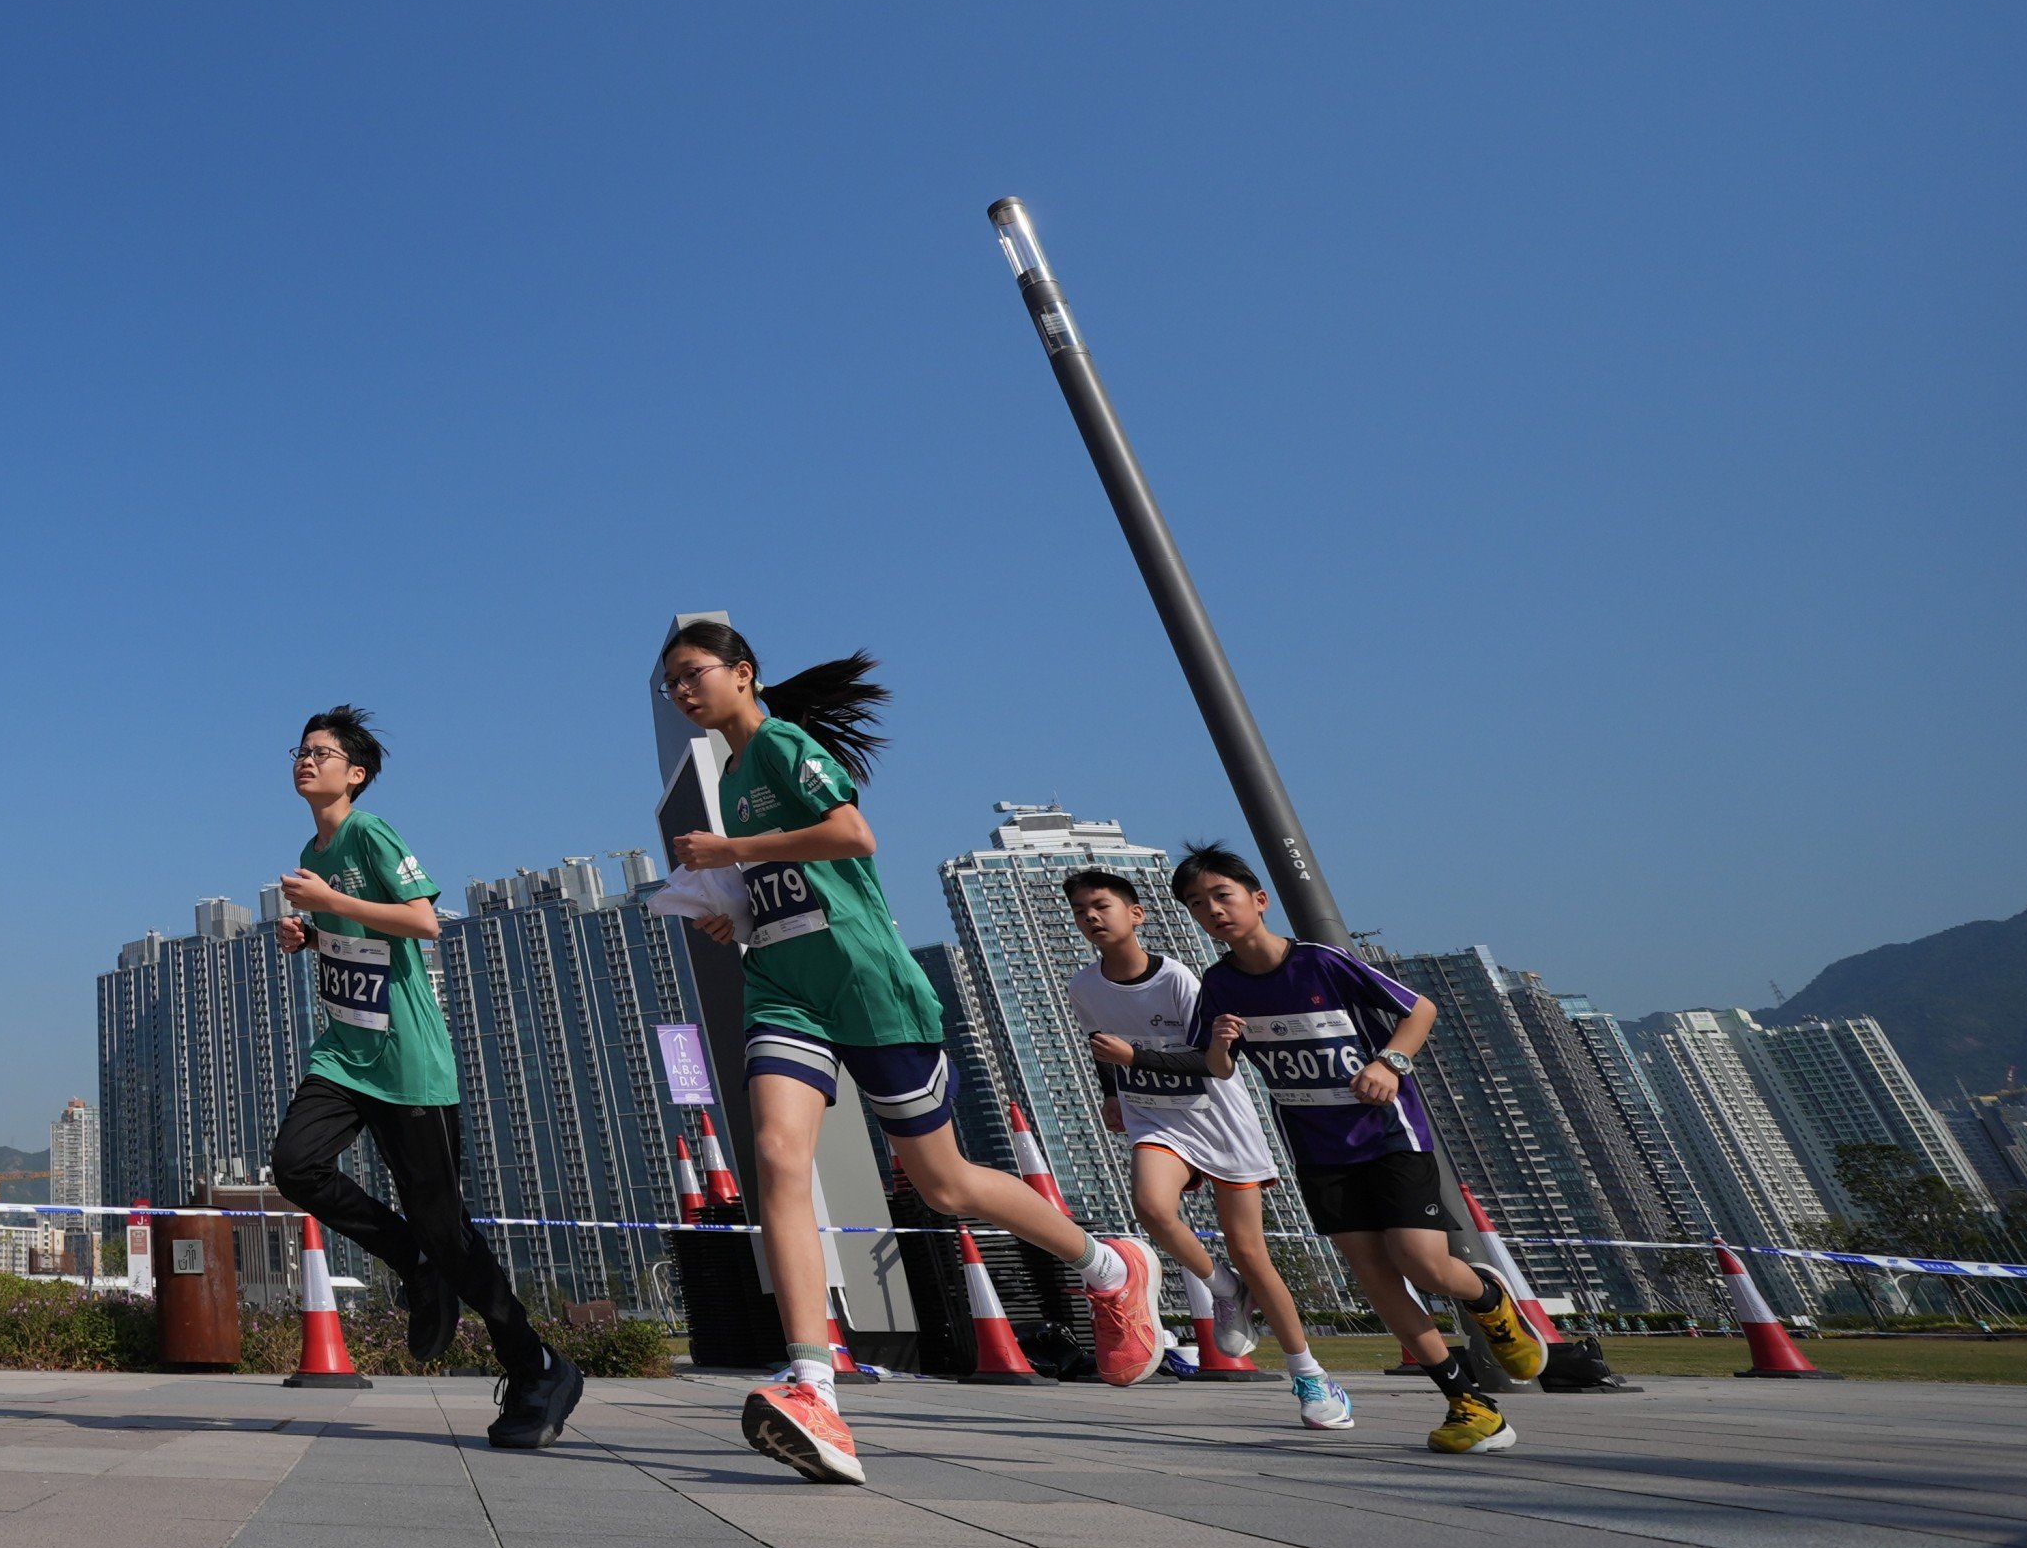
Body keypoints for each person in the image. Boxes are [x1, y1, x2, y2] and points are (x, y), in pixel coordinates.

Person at [655, 622, 1161, 1488]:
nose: (681, 693)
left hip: (869, 987)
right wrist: (732, 907)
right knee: (777, 1159)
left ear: (743, 673)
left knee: (946, 1184)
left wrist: (735, 852)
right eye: (669, 685)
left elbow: (853, 837)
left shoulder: (780, 743)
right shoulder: (731, 777)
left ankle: (1110, 1266)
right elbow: (795, 880)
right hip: (782, 987)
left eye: (692, 675)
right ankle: (813, 1382)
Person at [1155, 843, 1547, 1454]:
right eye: (1198, 905)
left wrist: (1390, 1062)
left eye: (1222, 896)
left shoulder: (1321, 962)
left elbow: (1419, 1010)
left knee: (1420, 1263)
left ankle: (1491, 1300)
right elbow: (1217, 1067)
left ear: (1258, 900)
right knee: (1374, 1275)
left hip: (1389, 1135)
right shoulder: (1218, 984)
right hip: (1318, 1151)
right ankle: (1470, 1406)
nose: (1213, 911)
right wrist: (1223, 1044)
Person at [263, 705, 579, 1451]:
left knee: (449, 1229)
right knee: (296, 1165)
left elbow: (422, 920)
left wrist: (328, 904)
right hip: (345, 1053)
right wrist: (308, 936)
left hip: (407, 1063)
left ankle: (536, 1365)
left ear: (355, 772)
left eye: (320, 751)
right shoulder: (316, 844)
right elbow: (358, 931)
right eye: (299, 751)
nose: (304, 760)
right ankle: (412, 1262)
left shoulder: (370, 833)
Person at [1063, 868, 1354, 1431]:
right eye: (1080, 911)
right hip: (1155, 1119)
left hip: (1218, 1120)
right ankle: (1224, 1290)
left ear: (1136, 914)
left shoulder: (1179, 981)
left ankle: (1309, 1373)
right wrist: (1110, 1094)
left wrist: (1134, 1061)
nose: (1092, 918)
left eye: (1101, 906)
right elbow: (1103, 1049)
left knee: (1251, 1251)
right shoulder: (1083, 988)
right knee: (1152, 1208)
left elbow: (1213, 1062)